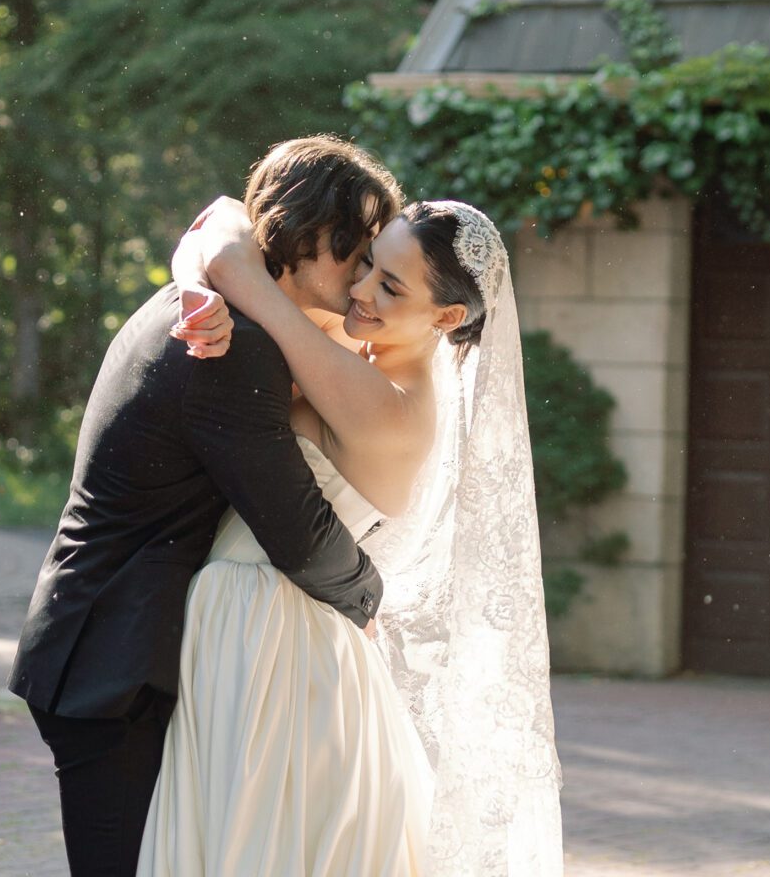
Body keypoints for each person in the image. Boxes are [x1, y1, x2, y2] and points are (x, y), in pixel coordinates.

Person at [7, 135, 402, 877]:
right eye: (349, 241)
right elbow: (294, 525)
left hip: (110, 645)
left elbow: (219, 217)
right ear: (292, 229)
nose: (361, 265)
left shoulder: (217, 308)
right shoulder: (231, 345)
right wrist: (371, 598)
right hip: (110, 664)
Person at [151, 196, 563, 875]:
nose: (362, 290)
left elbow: (237, 264)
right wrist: (195, 281)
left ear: (449, 317)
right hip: (262, 618)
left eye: (391, 287)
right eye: (368, 264)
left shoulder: (390, 405)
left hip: (270, 632)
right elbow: (224, 216)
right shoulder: (360, 355)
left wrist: (205, 279)